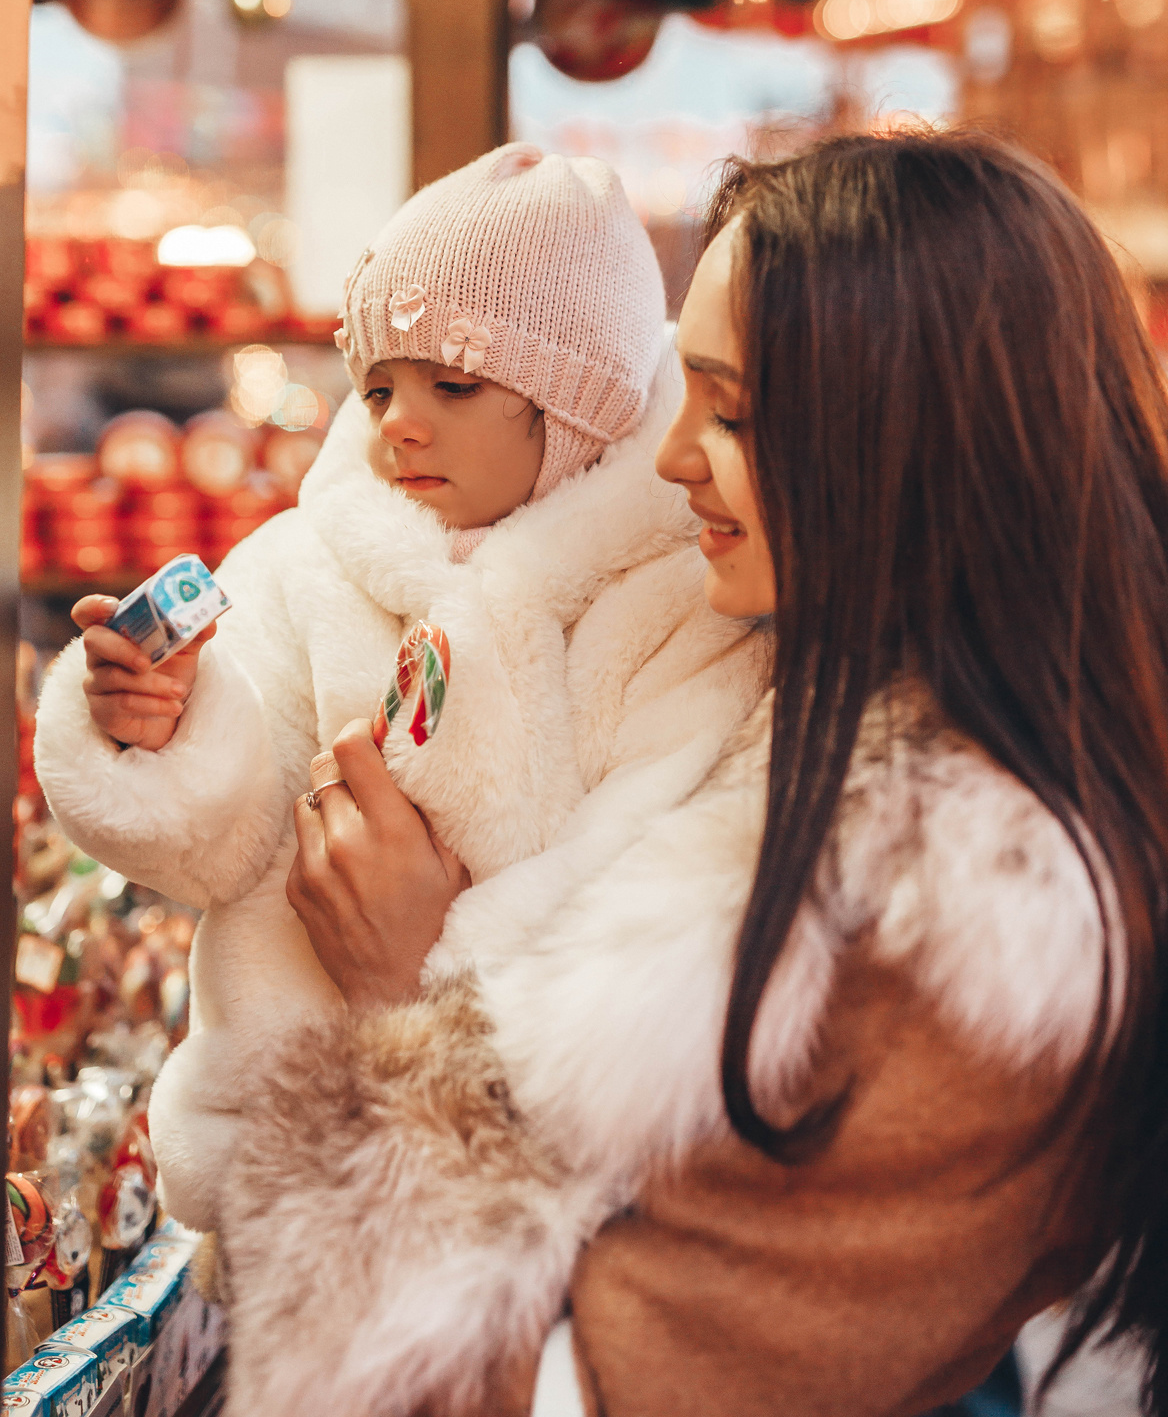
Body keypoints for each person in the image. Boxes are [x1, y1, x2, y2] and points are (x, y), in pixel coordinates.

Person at [221, 132, 1168, 1417]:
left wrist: (405, 1004)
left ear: (900, 437)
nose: (671, 461)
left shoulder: (979, 931)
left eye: (728, 410)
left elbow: (581, 1388)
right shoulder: (794, 713)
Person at [34, 143, 770, 1234]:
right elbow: (213, 849)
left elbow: (642, 889)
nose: (398, 423)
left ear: (580, 406)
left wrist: (430, 968)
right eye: (375, 386)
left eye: (453, 384)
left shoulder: (678, 597)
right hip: (277, 1154)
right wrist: (163, 731)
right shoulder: (307, 565)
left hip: (531, 1184)